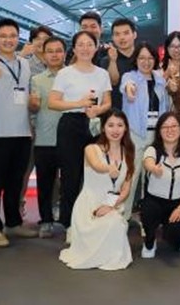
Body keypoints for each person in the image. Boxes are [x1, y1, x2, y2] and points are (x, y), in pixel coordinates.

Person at [0, 18, 37, 247]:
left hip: (22, 133)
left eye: (12, 36)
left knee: (15, 182)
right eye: (3, 36)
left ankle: (14, 222)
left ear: (18, 38)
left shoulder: (25, 64)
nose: (8, 40)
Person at [48, 30, 112, 232]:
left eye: (89, 44)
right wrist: (79, 103)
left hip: (95, 124)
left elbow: (108, 102)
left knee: (96, 173)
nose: (85, 48)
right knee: (71, 175)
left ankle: (94, 217)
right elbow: (53, 102)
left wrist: (98, 110)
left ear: (96, 47)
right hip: (71, 124)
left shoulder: (102, 74)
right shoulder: (65, 73)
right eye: (80, 44)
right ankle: (69, 223)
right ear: (74, 49)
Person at [59, 109, 134, 271]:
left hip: (111, 205)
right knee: (112, 225)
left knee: (116, 223)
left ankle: (108, 257)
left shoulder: (128, 152)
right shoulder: (91, 149)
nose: (115, 130)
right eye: (110, 125)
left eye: (120, 125)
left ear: (126, 128)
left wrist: (111, 206)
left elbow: (126, 188)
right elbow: (96, 165)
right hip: (89, 207)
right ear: (103, 128)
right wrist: (108, 168)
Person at [140, 112, 180, 258]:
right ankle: (150, 240)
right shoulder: (153, 150)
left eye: (174, 126)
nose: (170, 130)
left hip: (178, 202)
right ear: (159, 131)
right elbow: (147, 161)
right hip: (154, 201)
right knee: (149, 213)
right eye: (165, 127)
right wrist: (153, 168)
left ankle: (179, 234)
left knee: (174, 240)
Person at [121, 42, 169, 218]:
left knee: (151, 178)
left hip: (156, 134)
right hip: (136, 134)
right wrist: (130, 90)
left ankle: (148, 219)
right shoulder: (130, 77)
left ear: (155, 60)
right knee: (131, 176)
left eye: (150, 58)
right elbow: (127, 86)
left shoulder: (159, 79)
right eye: (142, 58)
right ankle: (123, 217)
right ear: (136, 60)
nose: (146, 62)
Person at [30, 36, 65, 238]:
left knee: (70, 184)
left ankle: (69, 221)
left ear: (65, 53)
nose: (54, 55)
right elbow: (33, 109)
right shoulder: (36, 80)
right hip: (44, 138)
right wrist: (32, 105)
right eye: (50, 51)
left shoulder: (73, 76)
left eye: (58, 50)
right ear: (43, 55)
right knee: (45, 183)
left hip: (70, 140)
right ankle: (46, 220)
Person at [99, 18, 137, 111]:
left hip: (141, 111)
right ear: (112, 38)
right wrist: (113, 61)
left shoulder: (143, 58)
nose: (122, 37)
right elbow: (112, 82)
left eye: (126, 33)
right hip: (116, 113)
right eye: (117, 34)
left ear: (134, 35)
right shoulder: (106, 61)